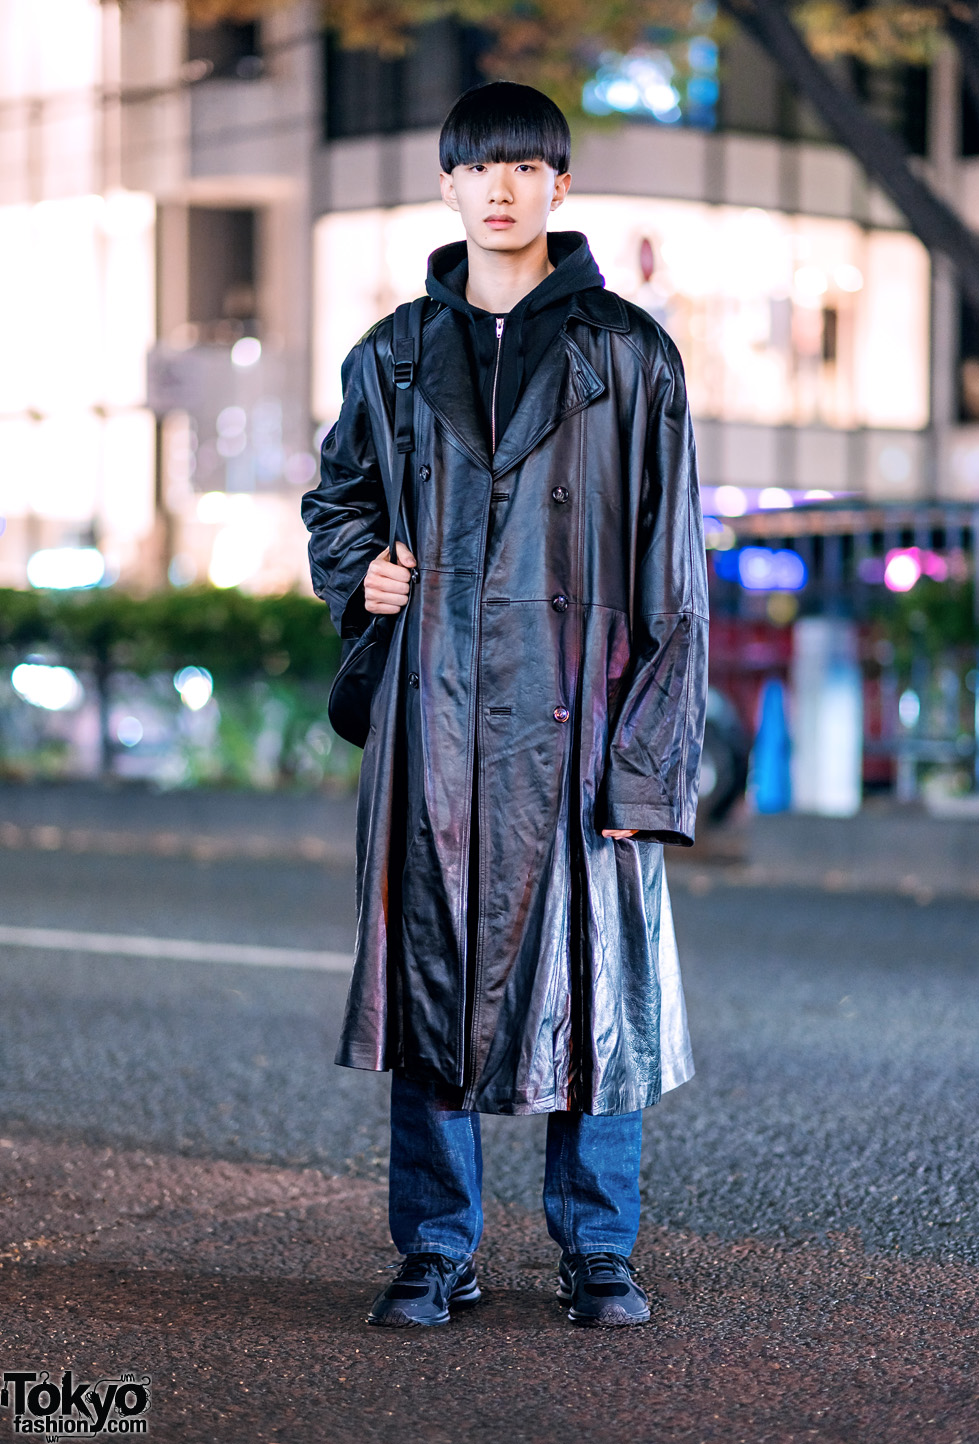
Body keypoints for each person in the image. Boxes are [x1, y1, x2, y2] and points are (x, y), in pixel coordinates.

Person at [302, 81, 708, 1328]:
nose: (501, 188)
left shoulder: (628, 353)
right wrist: (360, 570)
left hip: (582, 729)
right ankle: (435, 1249)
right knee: (430, 984)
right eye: (479, 167)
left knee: (598, 995)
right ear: (446, 186)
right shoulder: (392, 354)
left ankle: (599, 1251)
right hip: (435, 726)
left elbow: (672, 572)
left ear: (559, 186)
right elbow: (338, 505)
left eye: (527, 166)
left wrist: (647, 772)